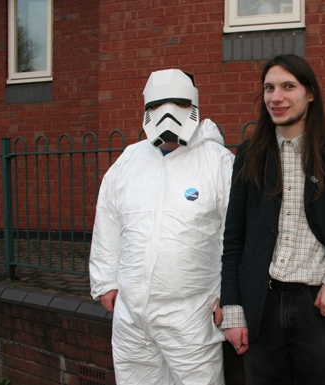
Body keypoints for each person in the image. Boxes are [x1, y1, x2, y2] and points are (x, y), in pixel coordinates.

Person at [220, 54, 325, 385]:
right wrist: (233, 310)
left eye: (288, 86)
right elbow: (234, 238)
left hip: (319, 306)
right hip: (260, 303)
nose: (276, 97)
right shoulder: (250, 155)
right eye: (269, 88)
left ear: (310, 93)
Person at [89, 69, 234, 385]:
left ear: (194, 105)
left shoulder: (218, 162)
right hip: (131, 313)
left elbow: (233, 234)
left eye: (178, 103)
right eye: (157, 105)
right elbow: (108, 221)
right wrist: (106, 281)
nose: (167, 114)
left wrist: (230, 296)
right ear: (146, 110)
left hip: (192, 313)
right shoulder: (129, 161)